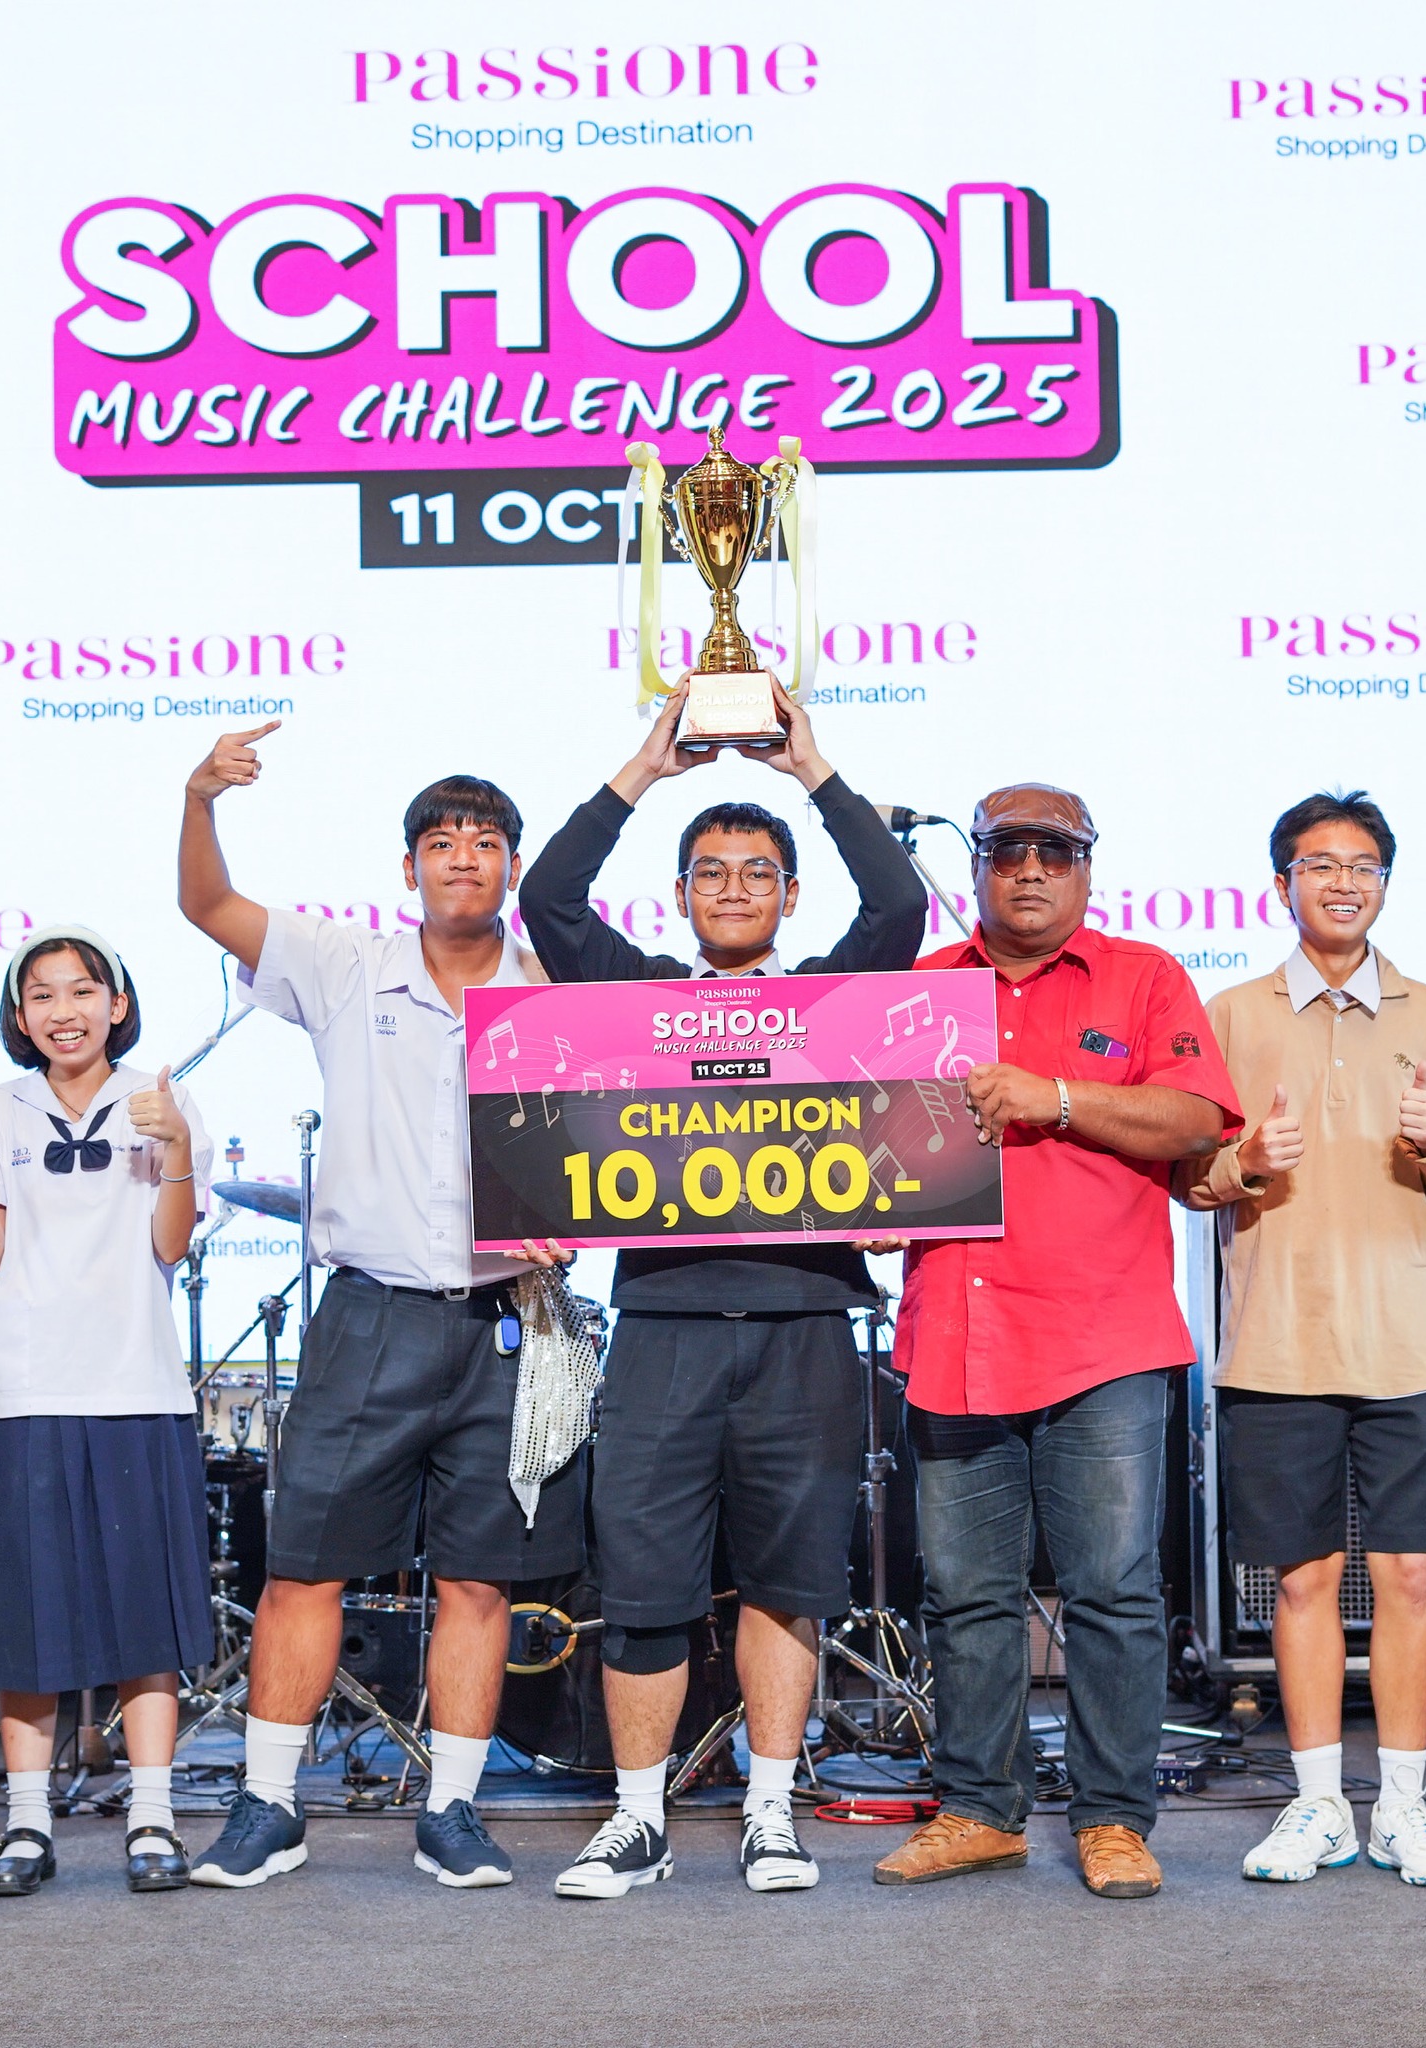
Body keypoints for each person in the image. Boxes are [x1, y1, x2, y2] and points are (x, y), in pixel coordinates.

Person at [517, 679, 927, 1898]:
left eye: (758, 872)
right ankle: (637, 1818)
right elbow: (547, 899)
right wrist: (646, 767)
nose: (735, 887)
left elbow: (900, 903)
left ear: (790, 895)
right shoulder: (637, 996)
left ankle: (769, 1811)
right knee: (643, 1586)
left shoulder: (831, 1003)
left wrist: (812, 769)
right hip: (662, 1331)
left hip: (806, 1328)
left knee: (790, 1582)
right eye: (711, 871)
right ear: (681, 891)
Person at [178, 724, 584, 1892]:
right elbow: (208, 905)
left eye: (486, 841)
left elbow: (611, 1140)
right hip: (369, 1316)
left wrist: (579, 1215)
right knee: (303, 1566)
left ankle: (451, 1809)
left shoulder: (554, 990)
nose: (463, 857)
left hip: (507, 1317)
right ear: (407, 867)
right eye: (441, 841)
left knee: (478, 1579)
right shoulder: (344, 962)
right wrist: (200, 798)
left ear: (513, 865)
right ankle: (268, 1804)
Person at [870, 785, 1239, 1899]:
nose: (1029, 869)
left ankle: (1113, 1818)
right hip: (958, 1329)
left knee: (1113, 1591)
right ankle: (977, 1810)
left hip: (1102, 1336)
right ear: (976, 864)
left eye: (1054, 850)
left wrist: (1060, 1098)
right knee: (963, 1594)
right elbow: (864, 1137)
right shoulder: (919, 988)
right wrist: (862, 1197)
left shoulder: (1144, 976)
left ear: (1086, 865)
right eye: (1005, 850)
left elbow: (1196, 1120)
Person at [1173, 793, 1426, 1886]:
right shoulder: (1228, 1013)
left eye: (1362, 866)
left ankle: (1402, 1806)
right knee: (1304, 1583)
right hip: (1276, 1343)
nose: (1342, 882)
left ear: (1384, 885)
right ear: (1282, 884)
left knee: (1409, 1578)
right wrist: (1247, 1161)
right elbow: (1189, 1177)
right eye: (1319, 864)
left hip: (1407, 1344)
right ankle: (1316, 1805)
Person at [0, 926, 214, 1897]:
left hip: (138, 1389)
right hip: (27, 1395)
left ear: (117, 1003)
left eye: (82, 990)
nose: (65, 1010)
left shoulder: (160, 1098)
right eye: (43, 995)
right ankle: (26, 1822)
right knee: (28, 1618)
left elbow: (171, 1244)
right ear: (20, 1016)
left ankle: (152, 1815)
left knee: (146, 1617)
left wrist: (176, 1143)